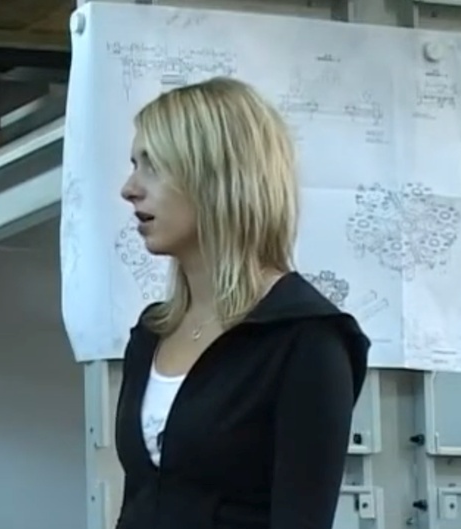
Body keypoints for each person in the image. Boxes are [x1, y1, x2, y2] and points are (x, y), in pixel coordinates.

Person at [114, 77, 370, 529]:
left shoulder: (305, 339)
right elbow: (139, 502)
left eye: (152, 166)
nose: (130, 188)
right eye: (135, 165)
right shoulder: (152, 334)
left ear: (215, 178)